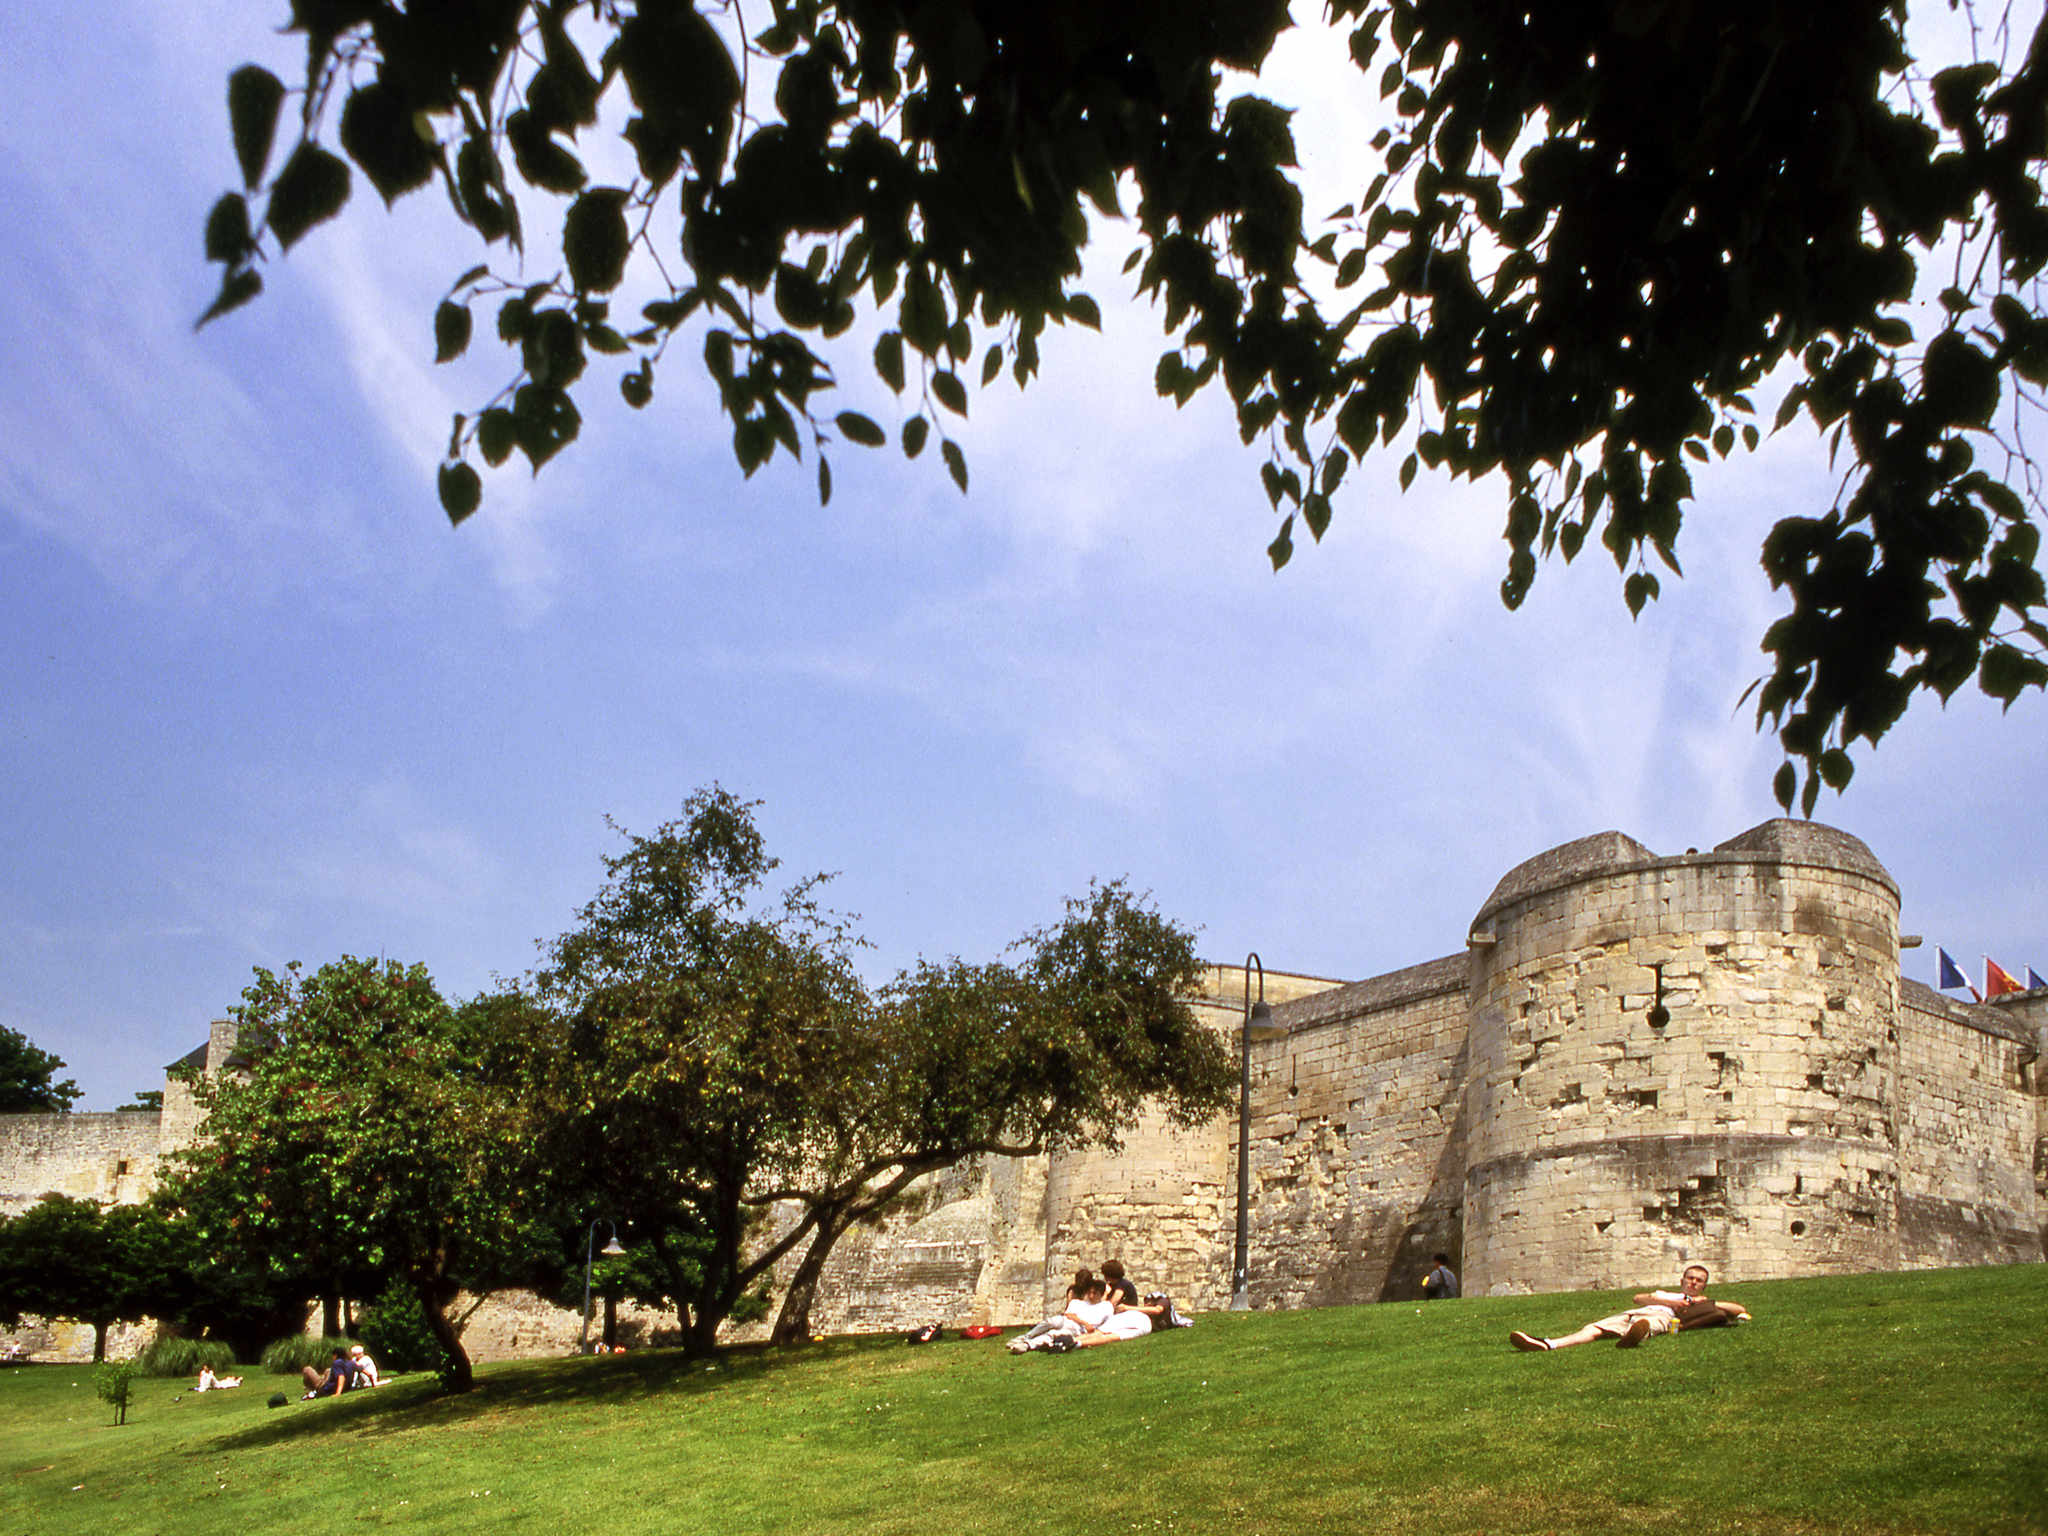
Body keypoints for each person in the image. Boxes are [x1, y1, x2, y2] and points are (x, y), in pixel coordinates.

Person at [1509, 1264, 1749, 1351]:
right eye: (1690, 1278)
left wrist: (1705, 1303)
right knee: (1593, 1328)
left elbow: (1737, 1308)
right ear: (1682, 1280)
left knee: (1650, 1324)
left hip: (1662, 1317)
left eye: (1699, 1280)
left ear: (1704, 1285)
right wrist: (1670, 1301)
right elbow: (1638, 1298)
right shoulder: (1667, 1293)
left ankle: (1636, 1336)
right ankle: (1548, 1343)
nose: (1693, 1282)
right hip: (1639, 1311)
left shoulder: (1703, 1302)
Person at [1008, 1271, 1114, 1352]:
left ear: (1101, 1294)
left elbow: (1108, 1325)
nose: (1091, 1296)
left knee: (1054, 1334)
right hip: (1067, 1321)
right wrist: (1085, 1323)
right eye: (1090, 1292)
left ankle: (1027, 1345)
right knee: (1051, 1321)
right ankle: (1026, 1337)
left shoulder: (1106, 1307)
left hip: (1077, 1329)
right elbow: (1069, 1314)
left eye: (1095, 1293)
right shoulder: (1078, 1302)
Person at [1074, 1292, 1174, 1347]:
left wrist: (1127, 1308)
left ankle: (1075, 1342)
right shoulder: (1143, 1314)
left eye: (1149, 1302)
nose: (1146, 1305)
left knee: (1110, 1336)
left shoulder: (1164, 1301)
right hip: (1139, 1320)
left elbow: (1157, 1310)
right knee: (1104, 1333)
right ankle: (1074, 1342)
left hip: (1142, 1323)